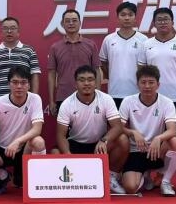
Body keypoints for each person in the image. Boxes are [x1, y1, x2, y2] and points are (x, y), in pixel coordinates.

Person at [0, 16, 41, 187]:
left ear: (18, 31)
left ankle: (22, 175)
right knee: (1, 142)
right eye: (6, 28)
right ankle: (1, 176)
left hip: (24, 105)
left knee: (27, 140)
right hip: (0, 106)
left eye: (13, 28)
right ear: (1, 31)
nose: (9, 31)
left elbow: (35, 75)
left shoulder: (28, 51)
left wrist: (33, 98)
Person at [54, 65, 129, 194]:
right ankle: (69, 183)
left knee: (123, 139)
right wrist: (67, 155)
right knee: (55, 152)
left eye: (90, 79)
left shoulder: (106, 99)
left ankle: (110, 177)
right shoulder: (67, 104)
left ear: (96, 82)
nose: (86, 83)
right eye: (82, 80)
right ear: (75, 84)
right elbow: (61, 135)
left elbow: (117, 127)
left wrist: (104, 140)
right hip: (76, 143)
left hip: (99, 145)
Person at [0, 66, 46, 195]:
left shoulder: (35, 99)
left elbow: (37, 129)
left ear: (29, 85)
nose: (19, 86)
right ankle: (3, 176)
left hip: (25, 149)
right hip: (4, 150)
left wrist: (18, 141)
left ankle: (38, 180)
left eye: (23, 82)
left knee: (38, 142)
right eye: (15, 82)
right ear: (9, 84)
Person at [119, 65, 176, 196]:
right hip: (136, 150)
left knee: (175, 142)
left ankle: (165, 181)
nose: (147, 86)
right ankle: (145, 175)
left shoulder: (167, 102)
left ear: (158, 84)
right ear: (137, 84)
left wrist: (158, 138)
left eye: (151, 82)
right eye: (143, 82)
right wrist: (133, 132)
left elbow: (172, 130)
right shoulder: (128, 101)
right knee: (131, 188)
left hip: (157, 150)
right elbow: (118, 128)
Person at [138, 7, 176, 111]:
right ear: (154, 24)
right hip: (153, 96)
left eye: (166, 19)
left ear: (172, 22)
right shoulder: (146, 44)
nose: (163, 22)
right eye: (159, 20)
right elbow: (141, 70)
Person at [48, 9, 100, 116]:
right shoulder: (55, 47)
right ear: (62, 24)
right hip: (63, 96)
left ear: (80, 23)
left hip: (87, 96)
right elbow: (51, 74)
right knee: (64, 127)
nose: (71, 23)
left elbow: (97, 71)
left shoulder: (90, 45)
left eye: (74, 20)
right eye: (67, 21)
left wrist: (98, 96)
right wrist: (51, 100)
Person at [100, 2, 147, 109]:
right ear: (118, 17)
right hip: (114, 92)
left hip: (137, 92)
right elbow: (103, 63)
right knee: (116, 120)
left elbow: (146, 66)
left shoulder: (143, 39)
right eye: (123, 14)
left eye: (130, 15)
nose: (127, 18)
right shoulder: (109, 39)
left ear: (135, 17)